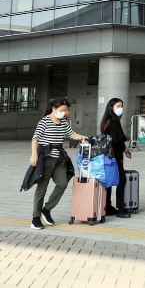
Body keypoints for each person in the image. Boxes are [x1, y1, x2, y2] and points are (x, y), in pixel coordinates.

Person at [30, 97, 88, 230]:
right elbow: (35, 139)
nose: (64, 112)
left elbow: (71, 134)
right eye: (62, 110)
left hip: (59, 159)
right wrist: (34, 155)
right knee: (41, 189)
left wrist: (82, 137)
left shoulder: (63, 122)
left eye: (65, 110)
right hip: (45, 158)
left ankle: (47, 209)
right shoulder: (44, 121)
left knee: (62, 183)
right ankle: (35, 218)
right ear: (54, 109)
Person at [99, 98, 132, 218]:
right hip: (115, 155)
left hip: (109, 155)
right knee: (121, 179)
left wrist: (124, 149)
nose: (120, 108)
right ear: (111, 108)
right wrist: (124, 137)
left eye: (121, 106)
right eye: (118, 106)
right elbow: (117, 140)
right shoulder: (113, 122)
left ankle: (107, 206)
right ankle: (121, 209)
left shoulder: (108, 121)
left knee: (110, 180)